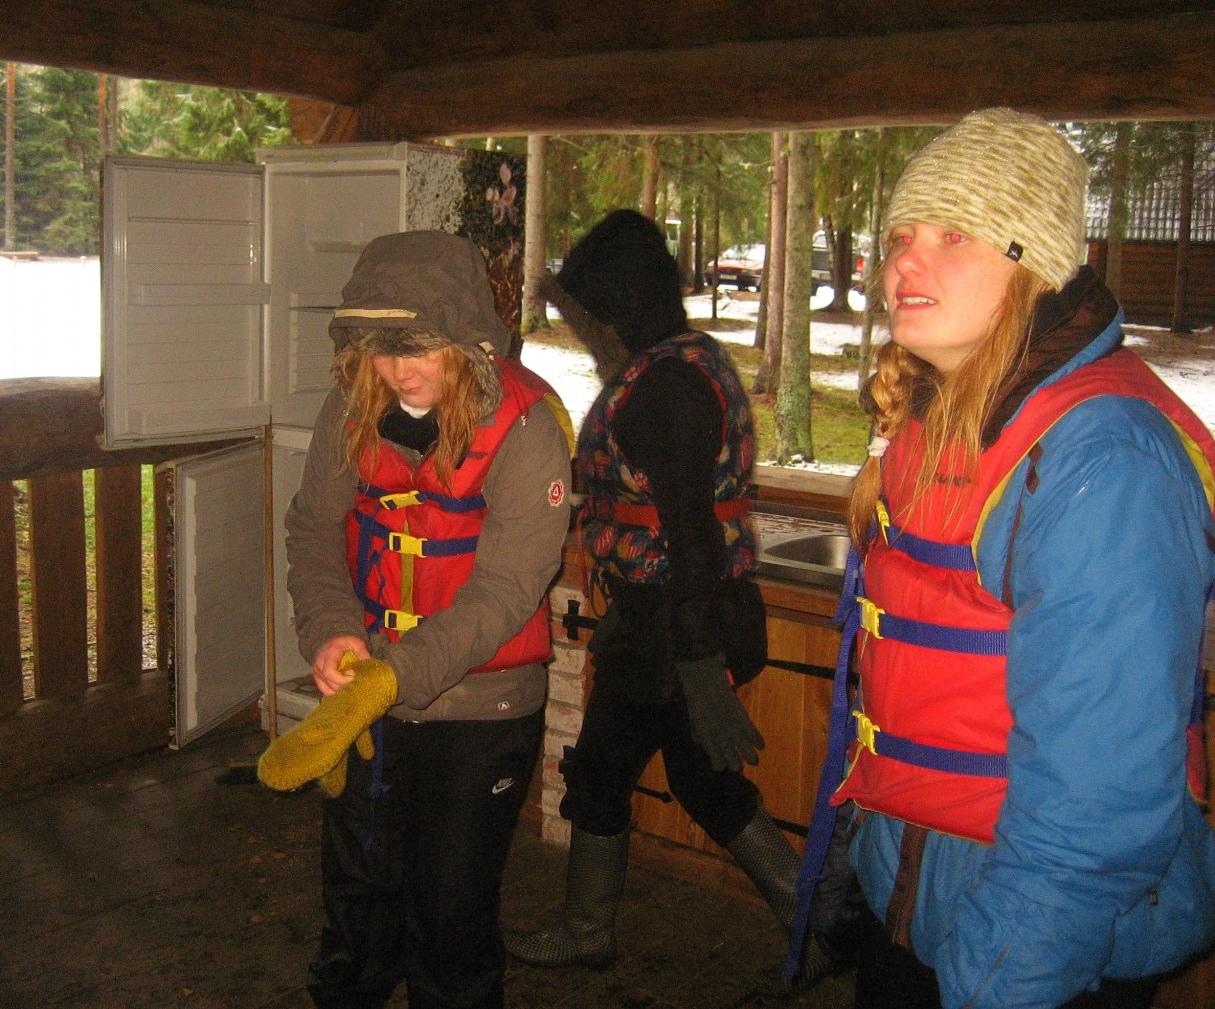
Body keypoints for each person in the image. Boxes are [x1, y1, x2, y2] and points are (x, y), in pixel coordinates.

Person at [792, 108, 1215, 1008]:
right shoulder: (945, 417)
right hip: (923, 896)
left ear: (1036, 264)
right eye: (900, 237)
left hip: (1039, 946)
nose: (905, 264)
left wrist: (1002, 977)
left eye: (952, 235)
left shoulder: (1103, 457)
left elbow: (1097, 795)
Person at [505, 210, 814, 975]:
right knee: (695, 780)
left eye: (589, 316)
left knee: (613, 773)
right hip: (673, 617)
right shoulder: (684, 360)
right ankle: (821, 923)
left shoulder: (664, 388)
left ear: (619, 309)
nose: (583, 332)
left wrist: (699, 664)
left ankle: (590, 932)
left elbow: (690, 532)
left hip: (677, 624)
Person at [279, 230, 573, 1008]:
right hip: (368, 689)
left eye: (418, 348)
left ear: (467, 338)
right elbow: (313, 528)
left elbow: (507, 590)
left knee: (450, 915)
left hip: (482, 708)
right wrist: (331, 631)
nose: (398, 370)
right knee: (357, 895)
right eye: (379, 349)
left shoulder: (527, 427)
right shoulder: (351, 409)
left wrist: (392, 676)